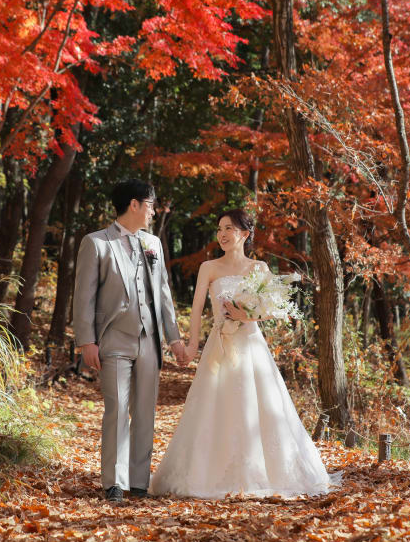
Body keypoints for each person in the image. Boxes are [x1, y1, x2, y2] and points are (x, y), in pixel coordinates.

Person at [150, 209, 337, 498]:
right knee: (214, 405)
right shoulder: (209, 267)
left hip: (250, 345)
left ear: (245, 234)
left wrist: (248, 315)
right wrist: (191, 346)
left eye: (229, 228)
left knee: (256, 403)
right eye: (219, 229)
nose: (222, 234)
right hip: (219, 345)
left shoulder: (259, 268)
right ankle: (207, 474)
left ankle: (261, 474)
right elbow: (197, 309)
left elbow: (270, 309)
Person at [73, 179, 187, 502]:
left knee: (145, 411)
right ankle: (113, 481)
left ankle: (139, 481)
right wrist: (86, 341)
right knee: (117, 409)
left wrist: (174, 337)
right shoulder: (96, 243)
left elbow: (163, 294)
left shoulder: (153, 243)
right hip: (113, 340)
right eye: (150, 204)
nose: (153, 210)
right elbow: (84, 297)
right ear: (133, 205)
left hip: (148, 339)